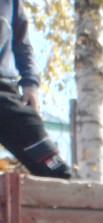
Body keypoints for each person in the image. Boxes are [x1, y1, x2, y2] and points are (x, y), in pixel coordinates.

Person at [0, 1, 72, 179]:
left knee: (58, 172)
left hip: (5, 95)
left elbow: (22, 44)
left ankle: (77, 204)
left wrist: (31, 84)